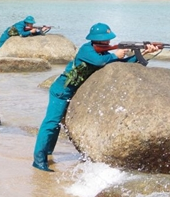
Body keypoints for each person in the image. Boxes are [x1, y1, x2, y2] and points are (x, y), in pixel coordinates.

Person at [33, 23, 157, 172]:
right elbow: (101, 62)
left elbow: (122, 63)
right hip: (62, 90)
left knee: (57, 124)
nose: (107, 42)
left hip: (74, 92)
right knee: (51, 123)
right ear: (95, 40)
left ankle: (48, 152)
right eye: (104, 40)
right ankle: (38, 160)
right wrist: (115, 54)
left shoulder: (104, 53)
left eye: (108, 40)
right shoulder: (87, 50)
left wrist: (143, 54)